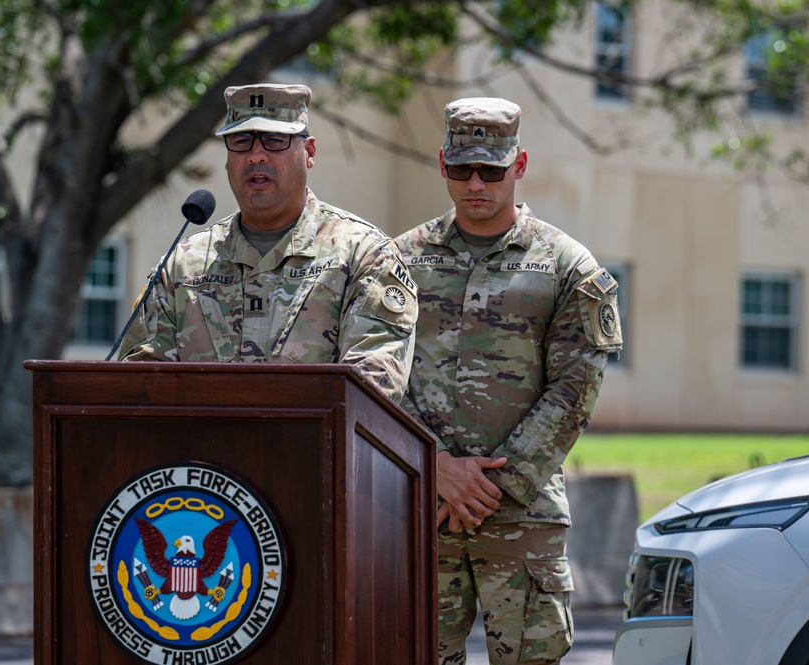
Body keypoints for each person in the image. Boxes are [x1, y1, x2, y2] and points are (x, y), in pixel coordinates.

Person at [396, 97, 622, 665]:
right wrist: (435, 467)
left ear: (518, 165)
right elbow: (378, 374)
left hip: (523, 517)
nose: (476, 183)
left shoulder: (568, 267)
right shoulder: (398, 260)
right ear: (442, 163)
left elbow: (576, 389)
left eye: (491, 170)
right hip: (420, 507)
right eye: (461, 168)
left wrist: (495, 483)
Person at [118, 83, 418, 402]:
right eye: (241, 141)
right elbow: (139, 388)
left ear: (309, 152)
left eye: (275, 140)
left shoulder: (364, 256)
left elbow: (372, 390)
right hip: (198, 450)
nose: (255, 156)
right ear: (228, 157)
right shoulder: (181, 266)